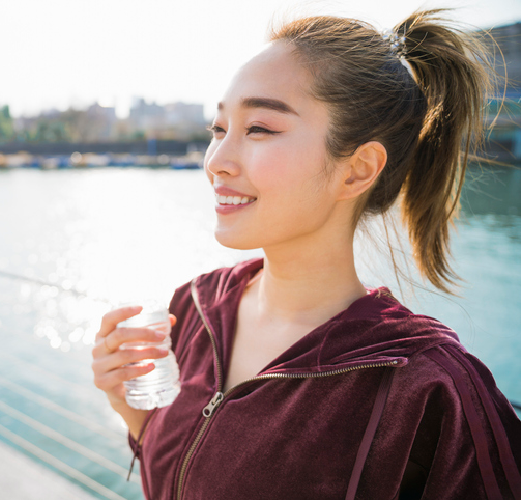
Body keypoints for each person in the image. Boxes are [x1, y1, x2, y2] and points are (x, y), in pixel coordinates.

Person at [91, 9, 521, 499]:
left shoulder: (426, 390)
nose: (216, 162)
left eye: (259, 129)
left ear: (358, 170)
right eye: (218, 128)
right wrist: (139, 416)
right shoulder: (194, 308)